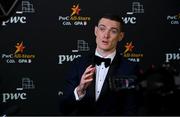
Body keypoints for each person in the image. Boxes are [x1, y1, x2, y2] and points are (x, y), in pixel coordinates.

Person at [60, 13, 141, 115]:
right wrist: (80, 90)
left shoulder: (130, 69)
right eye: (102, 29)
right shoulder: (77, 64)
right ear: (96, 31)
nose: (106, 35)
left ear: (120, 36)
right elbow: (64, 108)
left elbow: (131, 109)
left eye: (113, 31)